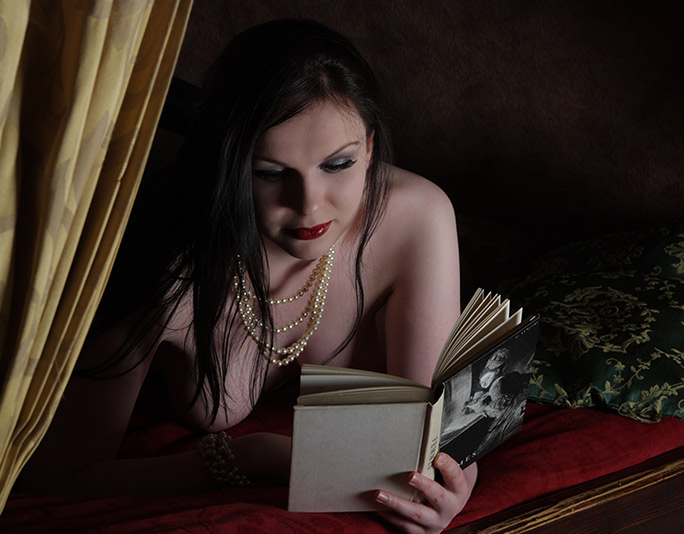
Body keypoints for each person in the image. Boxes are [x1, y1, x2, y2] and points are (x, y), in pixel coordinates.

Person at [16, 19, 476, 534]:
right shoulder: (170, 270)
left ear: (369, 148)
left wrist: (451, 484)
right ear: (230, 165)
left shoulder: (416, 218)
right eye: (270, 173)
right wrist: (254, 456)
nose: (309, 205)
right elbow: (58, 476)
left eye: (338, 164)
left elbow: (436, 438)